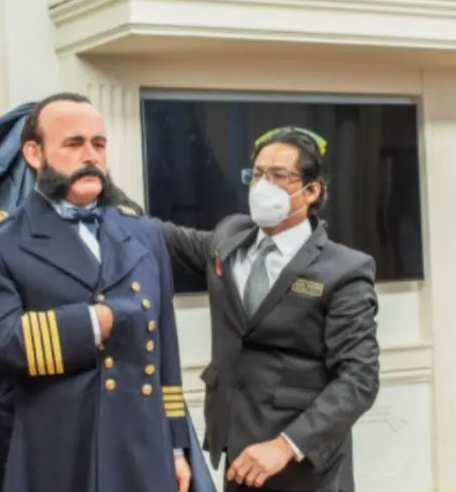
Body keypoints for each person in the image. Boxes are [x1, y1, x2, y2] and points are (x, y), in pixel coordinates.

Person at [0, 93, 193, 492]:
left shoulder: (144, 233)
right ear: (34, 154)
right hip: (58, 451)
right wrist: (93, 323)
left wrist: (175, 446)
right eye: (74, 143)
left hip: (142, 448)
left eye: (98, 144)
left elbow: (165, 350)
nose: (91, 155)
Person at [158, 127, 380, 492]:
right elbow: (161, 235)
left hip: (303, 464)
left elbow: (359, 379)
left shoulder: (345, 269)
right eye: (257, 174)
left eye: (279, 176)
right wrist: (98, 184)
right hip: (238, 454)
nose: (263, 185)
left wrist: (285, 446)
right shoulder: (229, 238)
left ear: (311, 191)